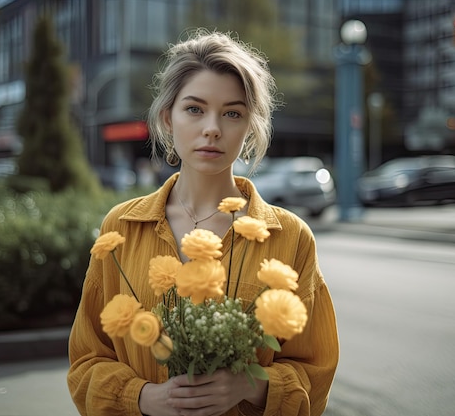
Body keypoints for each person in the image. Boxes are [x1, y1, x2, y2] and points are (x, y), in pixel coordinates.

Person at [67, 29, 339, 416]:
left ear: (249, 127)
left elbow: (317, 373)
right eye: (195, 109)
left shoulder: (291, 237)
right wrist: (144, 398)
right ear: (167, 117)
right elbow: (85, 361)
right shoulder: (122, 227)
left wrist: (249, 384)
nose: (212, 127)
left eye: (232, 113)